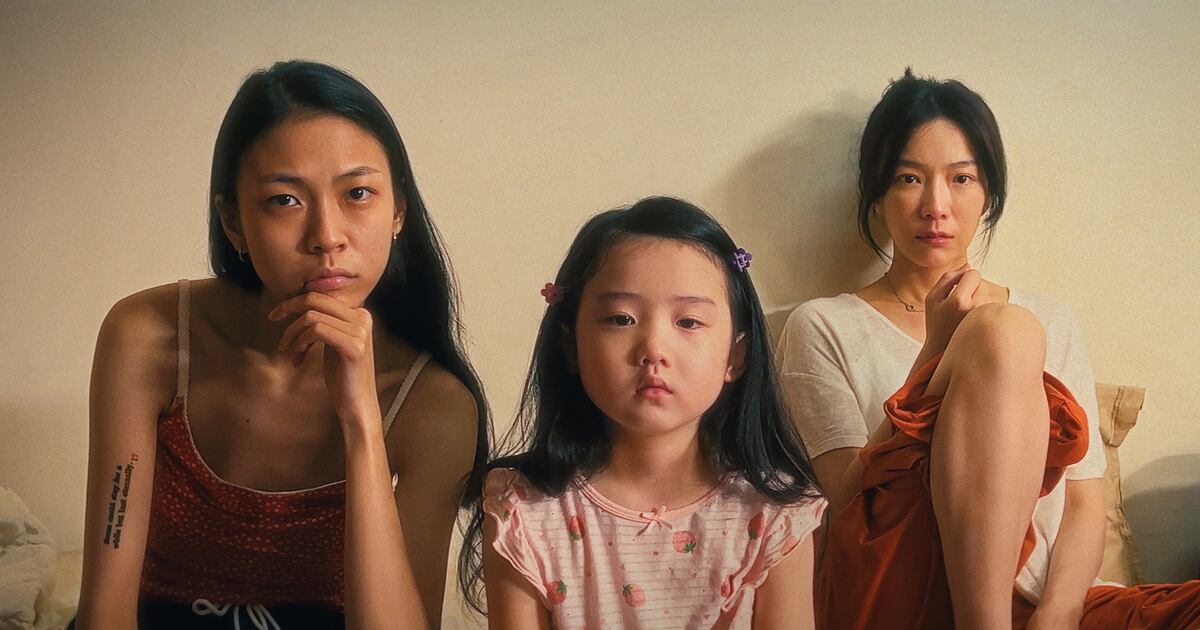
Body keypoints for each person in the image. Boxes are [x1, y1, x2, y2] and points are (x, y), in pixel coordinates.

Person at [777, 69, 1200, 629]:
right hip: (903, 588)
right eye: (908, 178)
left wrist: (1058, 613)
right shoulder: (823, 324)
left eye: (961, 178)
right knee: (1003, 331)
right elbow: (848, 499)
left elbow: (1082, 504)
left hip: (1050, 598)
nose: (936, 205)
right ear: (877, 196)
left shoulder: (1053, 319)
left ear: (988, 194)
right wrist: (936, 352)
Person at [73, 60, 489, 629]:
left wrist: (362, 423)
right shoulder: (149, 335)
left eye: (358, 193)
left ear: (398, 211)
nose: (327, 237)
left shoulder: (433, 405)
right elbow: (105, 612)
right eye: (284, 200)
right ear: (233, 222)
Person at [461, 196, 826, 629]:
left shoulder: (773, 513)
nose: (653, 348)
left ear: (736, 356)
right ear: (570, 346)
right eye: (621, 319)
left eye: (688, 322)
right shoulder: (522, 511)